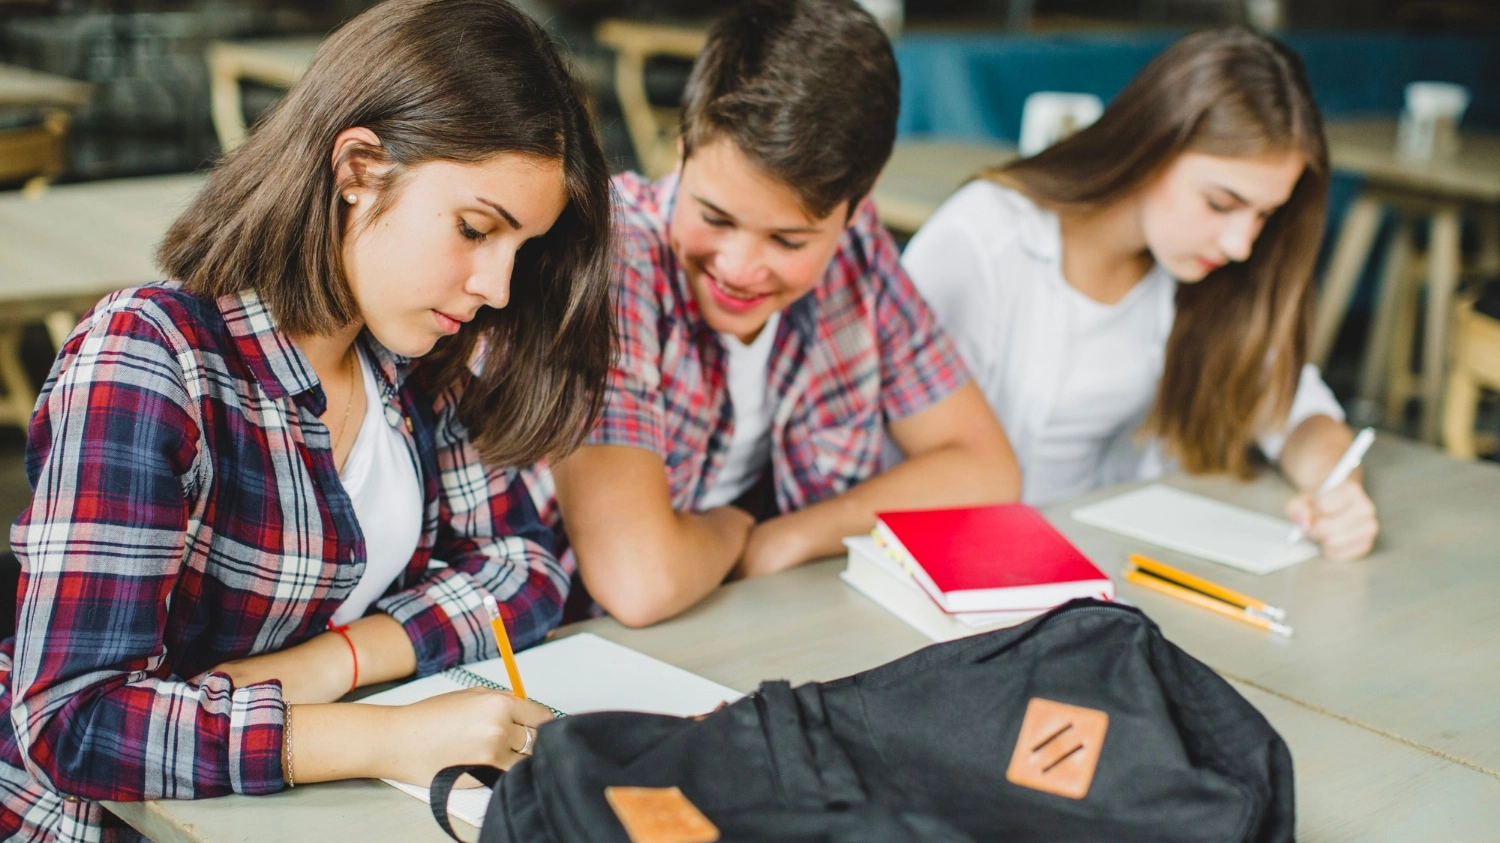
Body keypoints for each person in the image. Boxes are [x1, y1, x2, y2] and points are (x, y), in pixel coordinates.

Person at [0, 0, 615, 839]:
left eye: (521, 248)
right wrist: (381, 735)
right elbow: (73, 723)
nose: (497, 288)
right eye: (475, 229)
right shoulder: (151, 358)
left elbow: (524, 568)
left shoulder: (416, 359)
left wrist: (333, 661)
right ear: (358, 167)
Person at [527, 0, 1022, 629]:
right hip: (567, 645)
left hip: (744, 624)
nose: (739, 266)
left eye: (788, 242)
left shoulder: (857, 250)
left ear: (853, 209)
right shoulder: (615, 258)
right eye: (714, 217)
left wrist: (784, 538)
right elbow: (640, 584)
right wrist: (737, 527)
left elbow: (984, 466)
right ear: (683, 151)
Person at [902, 28, 1378, 561]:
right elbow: (902, 447)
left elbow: (1298, 412)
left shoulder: (1209, 275)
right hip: (960, 560)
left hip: (1102, 562)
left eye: (1264, 215)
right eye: (1221, 204)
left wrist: (1339, 488)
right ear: (1152, 146)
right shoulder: (983, 237)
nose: (1242, 244)